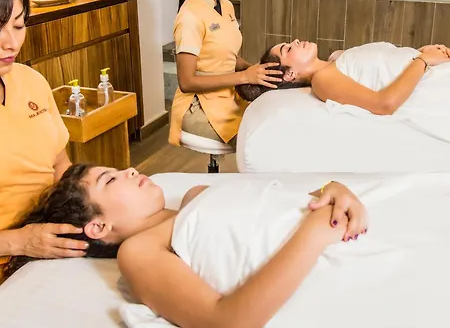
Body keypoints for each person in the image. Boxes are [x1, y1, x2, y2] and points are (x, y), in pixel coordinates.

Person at [4, 163, 367, 328]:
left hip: (343, 228)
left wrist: (330, 191)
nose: (130, 171)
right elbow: (228, 322)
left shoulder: (196, 194)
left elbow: (270, 210)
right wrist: (316, 230)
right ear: (99, 226)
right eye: (111, 179)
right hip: (330, 249)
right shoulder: (139, 251)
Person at [0, 0, 88, 284]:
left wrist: (89, 208)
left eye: (18, 25)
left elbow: (59, 164)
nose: (11, 43)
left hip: (45, 249)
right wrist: (20, 241)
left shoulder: (31, 81)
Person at [169, 0, 282, 147]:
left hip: (229, 96)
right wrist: (245, 77)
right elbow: (187, 82)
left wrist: (255, 70)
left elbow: (226, 55)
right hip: (200, 105)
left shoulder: (226, 6)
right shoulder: (189, 17)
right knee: (264, 140)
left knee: (274, 121)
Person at [236, 39, 450, 115]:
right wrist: (423, 60)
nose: (296, 41)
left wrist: (419, 52)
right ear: (291, 74)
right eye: (288, 48)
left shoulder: (336, 59)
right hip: (437, 85)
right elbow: (384, 104)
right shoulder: (323, 80)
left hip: (437, 68)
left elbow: (383, 69)